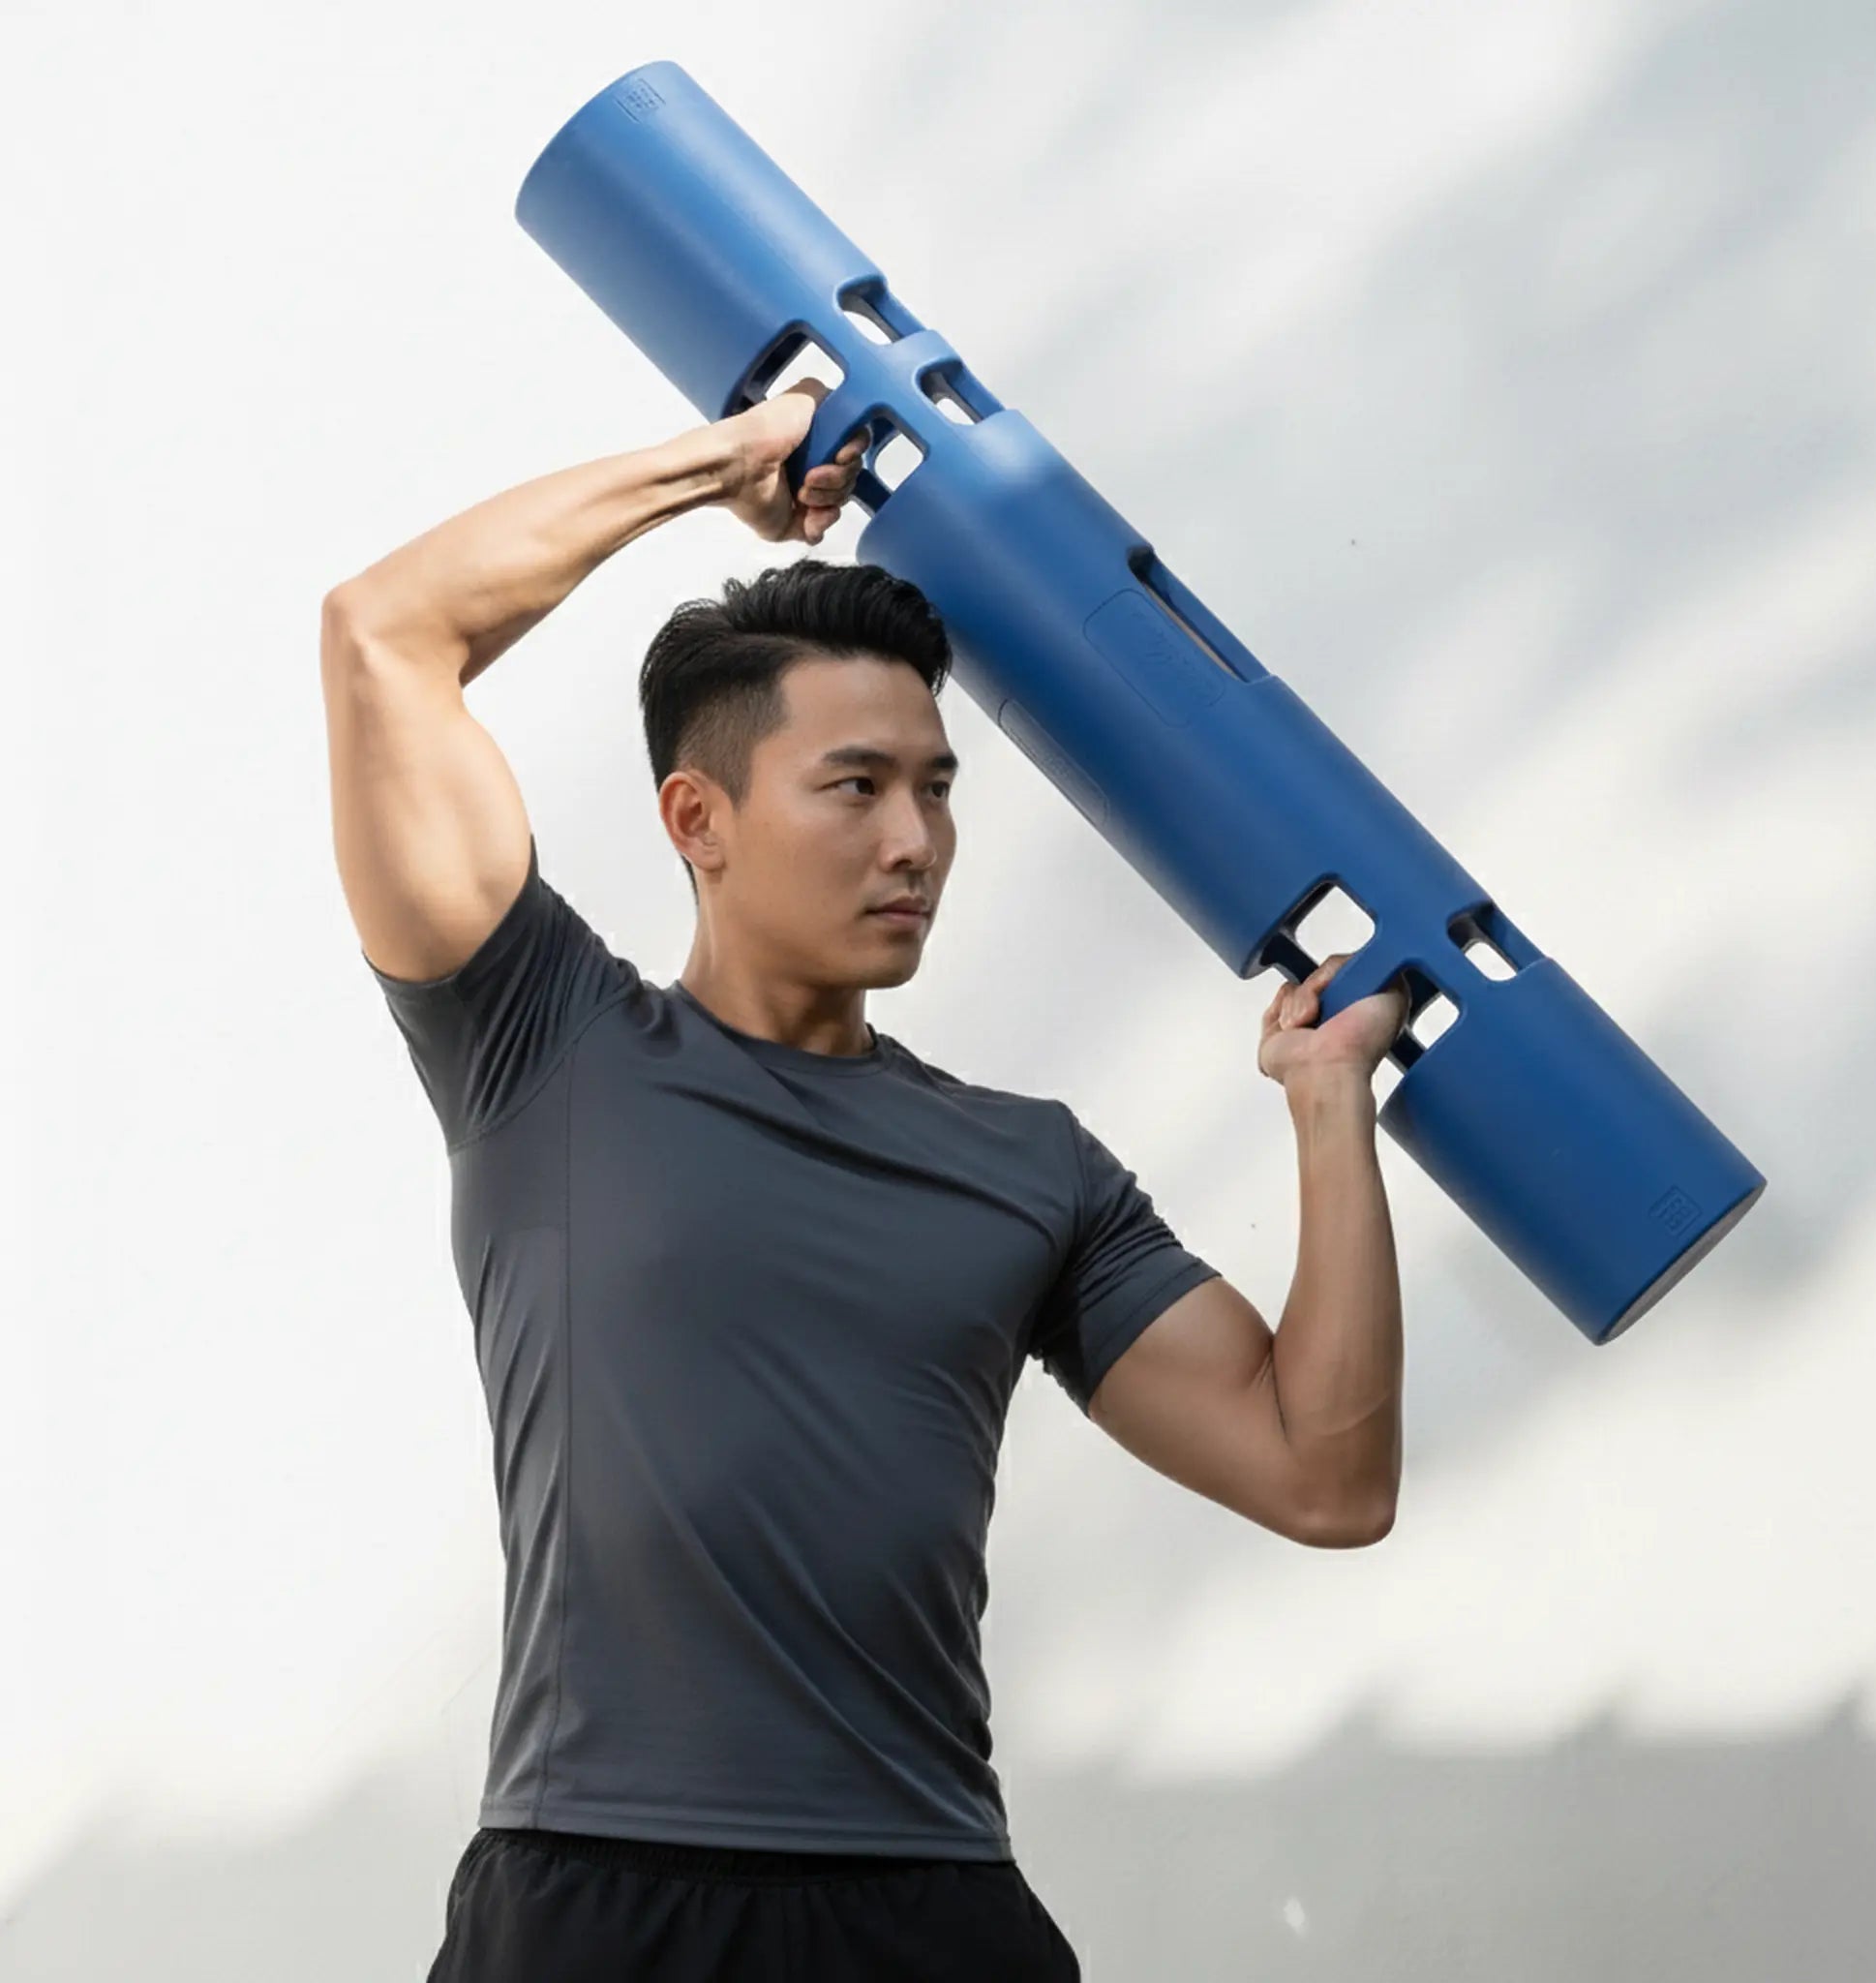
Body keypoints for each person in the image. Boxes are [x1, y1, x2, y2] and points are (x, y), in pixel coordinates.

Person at [318, 379, 1409, 1980]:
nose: (915, 840)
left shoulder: (1033, 1170)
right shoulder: (537, 1042)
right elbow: (381, 634)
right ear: (699, 816)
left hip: (925, 1904)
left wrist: (1329, 1110)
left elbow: (1326, 1477)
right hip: (597, 1899)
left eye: (937, 787)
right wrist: (719, 468)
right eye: (855, 786)